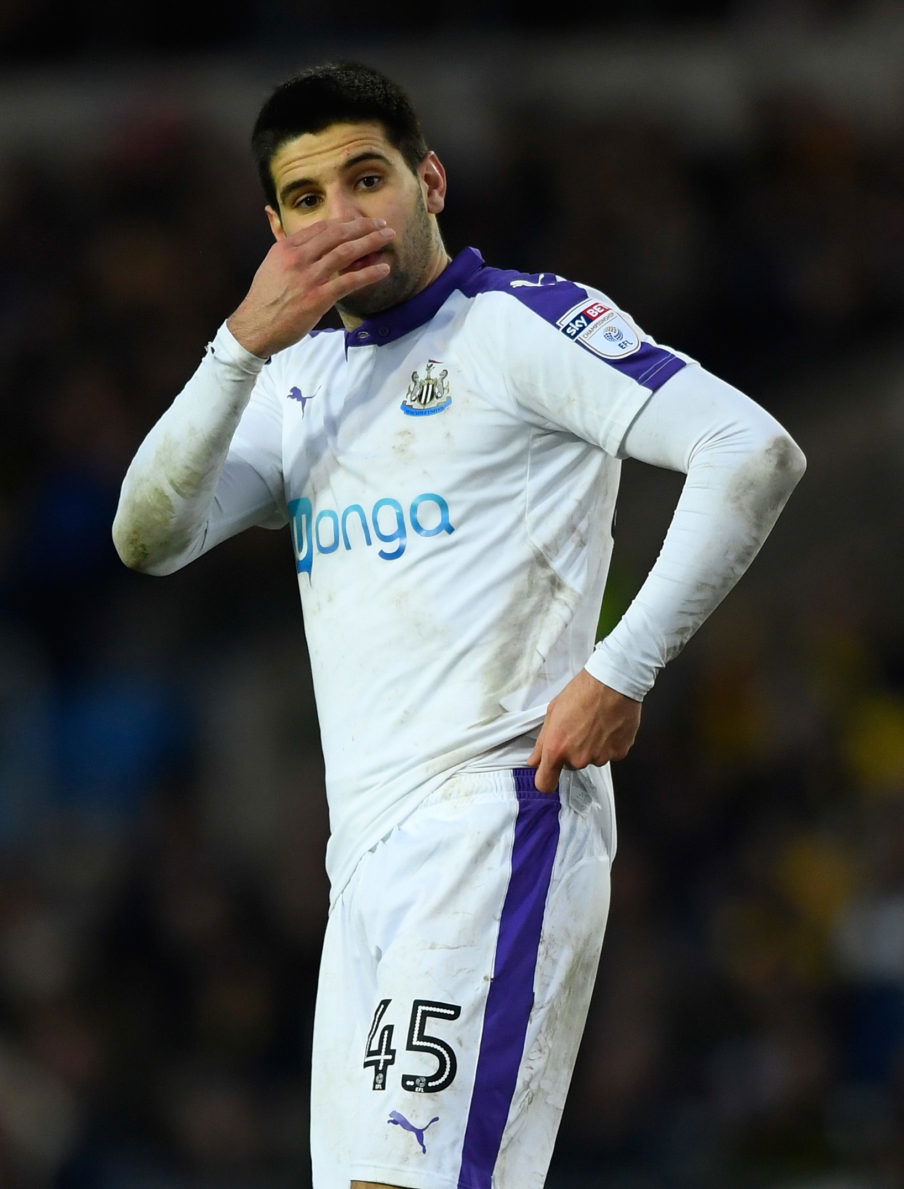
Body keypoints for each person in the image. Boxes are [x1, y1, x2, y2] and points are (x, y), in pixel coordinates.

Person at [112, 59, 806, 1189]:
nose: (341, 215)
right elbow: (147, 534)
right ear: (273, 226)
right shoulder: (296, 386)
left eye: (367, 176)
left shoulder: (519, 329)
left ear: (429, 179)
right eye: (305, 197)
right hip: (368, 866)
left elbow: (751, 452)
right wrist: (239, 342)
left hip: (495, 820)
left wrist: (622, 669)